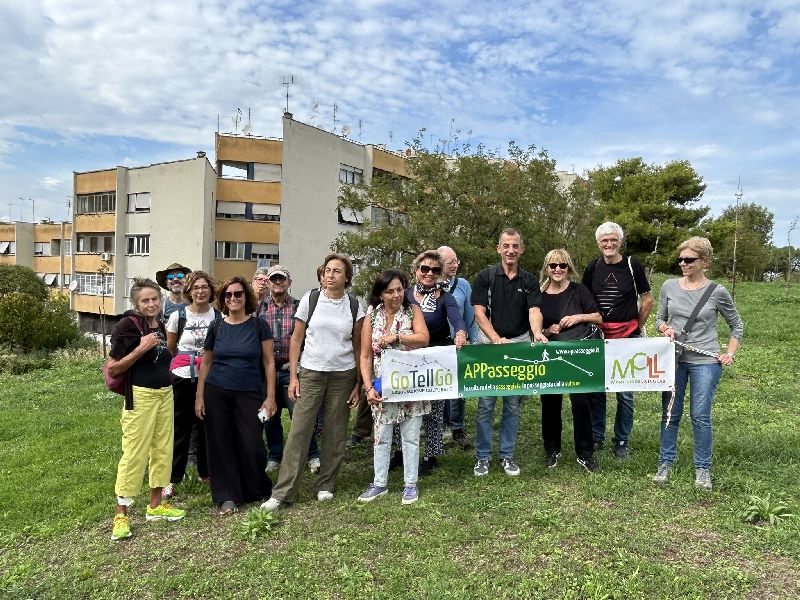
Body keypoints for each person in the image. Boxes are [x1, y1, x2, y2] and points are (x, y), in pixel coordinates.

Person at [261, 253, 365, 510]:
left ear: (347, 277)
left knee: (335, 430)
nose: (330, 275)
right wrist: (294, 375)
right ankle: (283, 492)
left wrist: (358, 383)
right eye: (328, 270)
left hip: (343, 374)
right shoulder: (311, 299)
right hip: (312, 372)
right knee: (299, 430)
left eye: (337, 271)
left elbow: (358, 346)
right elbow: (296, 340)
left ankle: (325, 484)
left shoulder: (354, 305)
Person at [654, 236, 743, 490]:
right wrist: (665, 328)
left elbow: (736, 325)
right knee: (670, 413)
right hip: (674, 360)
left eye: (689, 259)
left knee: (700, 415)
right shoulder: (669, 287)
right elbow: (658, 319)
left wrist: (730, 352)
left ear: (704, 261)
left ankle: (702, 468)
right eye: (680, 259)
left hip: (706, 361)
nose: (683, 263)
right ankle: (665, 461)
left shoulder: (717, 292)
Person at [106, 278, 184, 541]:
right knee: (134, 453)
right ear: (136, 303)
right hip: (140, 396)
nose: (151, 304)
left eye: (154, 299)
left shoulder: (160, 325)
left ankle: (156, 505)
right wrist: (140, 348)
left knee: (163, 448)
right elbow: (113, 368)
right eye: (145, 300)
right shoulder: (127, 326)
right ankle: (121, 514)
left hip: (165, 393)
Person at [195, 277, 276, 514]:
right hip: (216, 391)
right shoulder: (217, 326)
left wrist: (270, 397)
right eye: (228, 295)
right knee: (221, 443)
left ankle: (255, 488)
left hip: (250, 393)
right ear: (222, 299)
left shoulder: (259, 326)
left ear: (246, 297)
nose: (233, 298)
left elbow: (269, 362)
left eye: (238, 294)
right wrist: (199, 397)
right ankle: (227, 495)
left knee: (251, 443)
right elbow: (206, 362)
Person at [471, 228, 547, 477]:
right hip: (489, 346)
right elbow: (479, 314)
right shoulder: (485, 277)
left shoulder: (529, 280)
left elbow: (534, 310)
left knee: (513, 405)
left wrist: (536, 332)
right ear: (499, 249)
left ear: (521, 250)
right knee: (486, 404)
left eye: (515, 246)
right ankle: (482, 457)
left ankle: (507, 455)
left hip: (518, 344)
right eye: (506, 246)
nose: (510, 250)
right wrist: (495, 340)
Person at [357, 270, 430, 504]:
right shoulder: (371, 317)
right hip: (382, 386)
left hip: (410, 384)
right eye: (390, 291)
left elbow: (423, 338)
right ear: (380, 294)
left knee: (410, 436)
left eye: (400, 289)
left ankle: (410, 483)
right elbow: (365, 356)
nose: (396, 295)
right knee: (381, 435)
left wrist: (397, 337)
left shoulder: (413, 310)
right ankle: (379, 483)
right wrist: (368, 387)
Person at [582, 221, 654, 458]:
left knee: (625, 392)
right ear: (598, 243)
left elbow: (647, 301)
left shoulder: (632, 265)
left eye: (613, 240)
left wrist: (636, 327)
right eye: (604, 240)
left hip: (628, 336)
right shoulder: (593, 267)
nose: (609, 244)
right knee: (598, 388)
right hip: (599, 335)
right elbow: (584, 299)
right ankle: (596, 436)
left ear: (620, 242)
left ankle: (622, 440)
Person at [403, 250, 467, 476]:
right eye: (425, 268)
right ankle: (400, 453)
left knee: (434, 409)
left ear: (441, 274)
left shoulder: (445, 297)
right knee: (406, 406)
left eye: (435, 270)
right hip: (409, 357)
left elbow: (457, 318)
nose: (429, 273)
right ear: (416, 270)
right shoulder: (405, 295)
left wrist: (460, 332)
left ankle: (431, 454)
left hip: (437, 358)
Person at [538, 249, 602, 473]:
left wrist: (578, 317)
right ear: (547, 268)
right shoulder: (540, 294)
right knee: (550, 402)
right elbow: (534, 327)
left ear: (569, 268)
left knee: (581, 404)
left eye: (562, 266)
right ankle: (551, 449)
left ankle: (585, 453)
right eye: (553, 265)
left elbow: (598, 317)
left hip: (578, 353)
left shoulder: (578, 290)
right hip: (552, 354)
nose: (558, 269)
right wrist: (547, 328)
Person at [256, 265, 321, 475]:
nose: (277, 282)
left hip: (290, 369)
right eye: (274, 279)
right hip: (266, 370)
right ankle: (275, 456)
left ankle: (312, 455)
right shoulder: (259, 308)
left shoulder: (298, 307)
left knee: (299, 414)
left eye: (281, 279)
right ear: (268, 282)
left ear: (289, 282)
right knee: (270, 416)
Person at [163, 271, 218, 498]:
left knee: (206, 425)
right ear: (189, 291)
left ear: (211, 290)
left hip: (210, 376)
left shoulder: (218, 316)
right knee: (180, 427)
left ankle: (205, 472)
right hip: (183, 375)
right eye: (196, 287)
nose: (200, 291)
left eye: (204, 286)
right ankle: (172, 478)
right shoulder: (179, 316)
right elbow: (171, 348)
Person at [438, 245, 477, 450]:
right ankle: (441, 425)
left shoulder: (463, 285)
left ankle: (458, 427)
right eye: (449, 262)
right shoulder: (430, 284)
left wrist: (473, 339)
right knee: (441, 386)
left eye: (456, 261)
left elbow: (470, 316)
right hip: (437, 345)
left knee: (459, 387)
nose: (454, 265)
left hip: (460, 344)